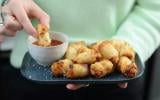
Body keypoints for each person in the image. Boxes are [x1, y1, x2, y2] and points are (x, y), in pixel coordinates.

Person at [0, 0, 160, 100]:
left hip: (117, 77)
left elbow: (155, 8)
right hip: (32, 72)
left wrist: (125, 46)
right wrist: (5, 6)